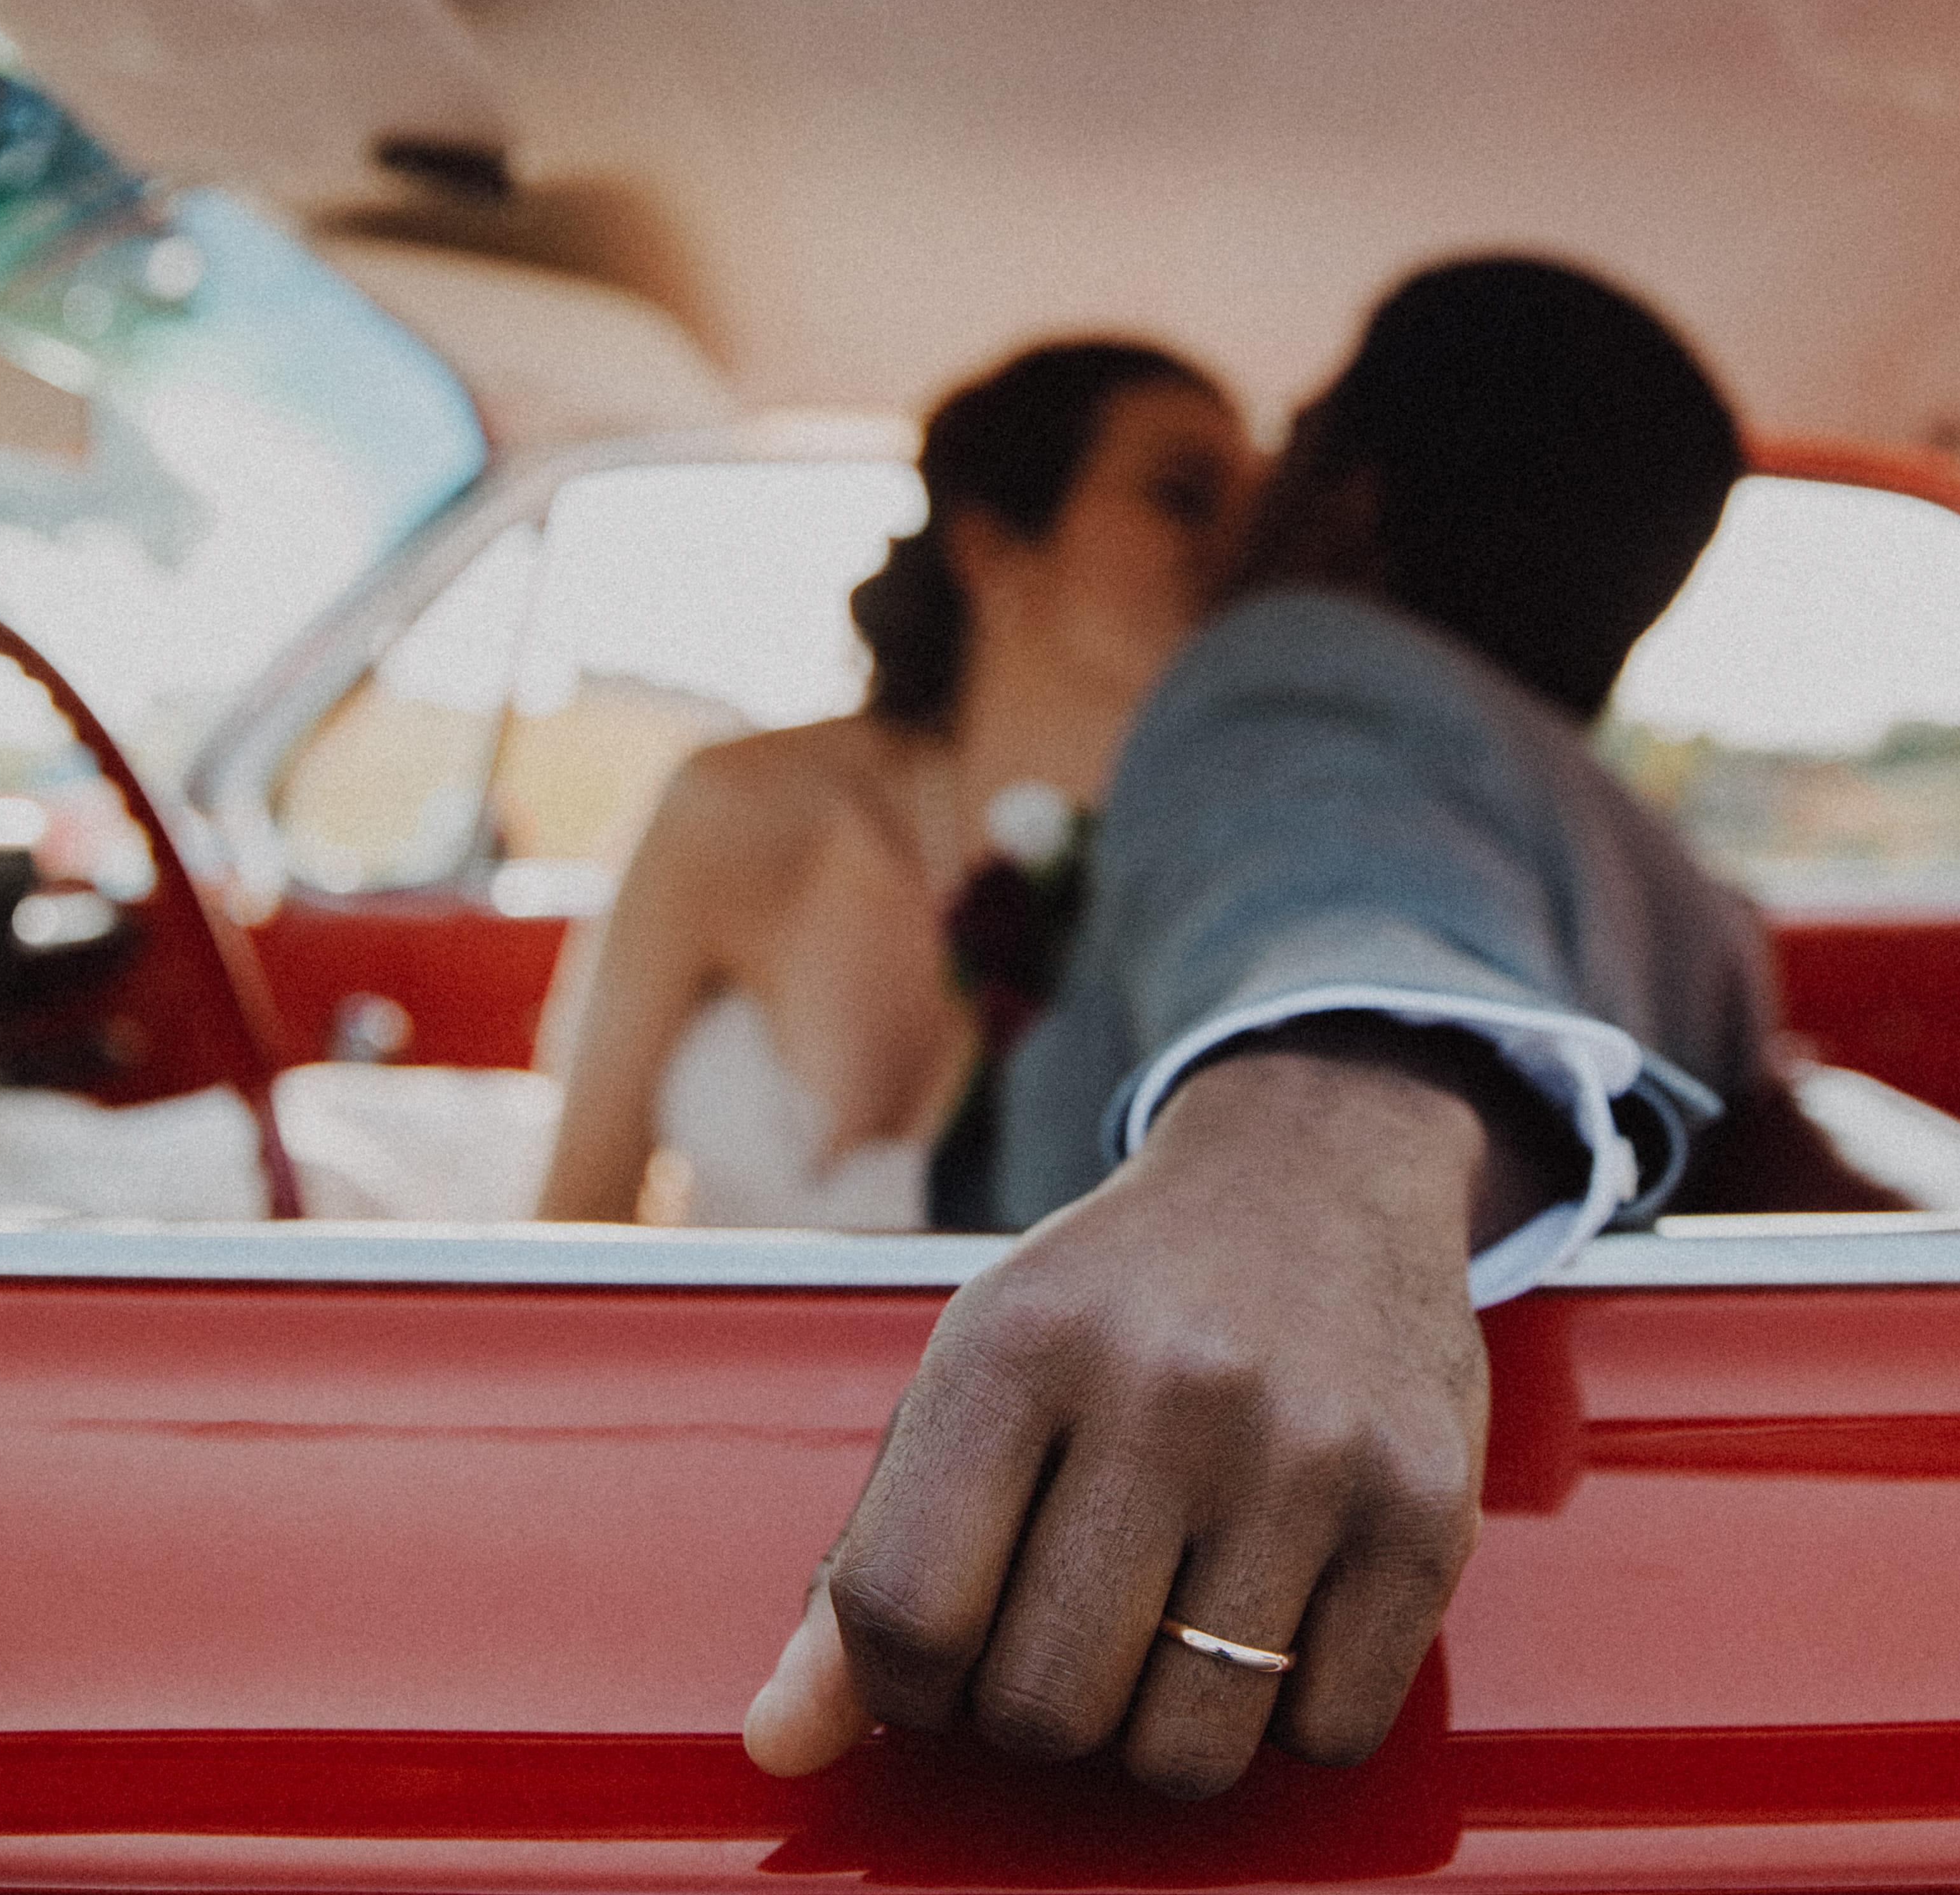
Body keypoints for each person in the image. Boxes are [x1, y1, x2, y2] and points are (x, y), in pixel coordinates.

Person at [745, 254, 1778, 1800]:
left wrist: (1326, 1122)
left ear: (1345, 502)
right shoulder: (1672, 869)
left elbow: (1334, 884)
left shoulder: (1287, 669)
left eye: (1287, 441)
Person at [533, 338, 1254, 1229]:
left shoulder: (1216, 874)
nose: (1239, 550)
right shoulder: (733, 809)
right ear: (992, 548)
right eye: (1183, 498)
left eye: (1257, 515)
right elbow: (576, 1217)